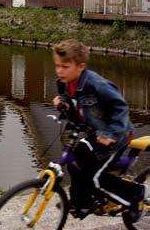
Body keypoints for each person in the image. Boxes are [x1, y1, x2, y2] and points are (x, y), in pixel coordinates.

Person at [52, 39, 147, 222]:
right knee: (75, 160)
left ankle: (136, 195)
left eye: (65, 66)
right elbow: (71, 99)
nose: (59, 71)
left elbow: (120, 107)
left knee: (96, 178)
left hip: (114, 137)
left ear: (81, 66)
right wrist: (62, 101)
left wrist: (110, 134)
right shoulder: (66, 82)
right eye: (57, 66)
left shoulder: (96, 84)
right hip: (95, 134)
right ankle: (82, 202)